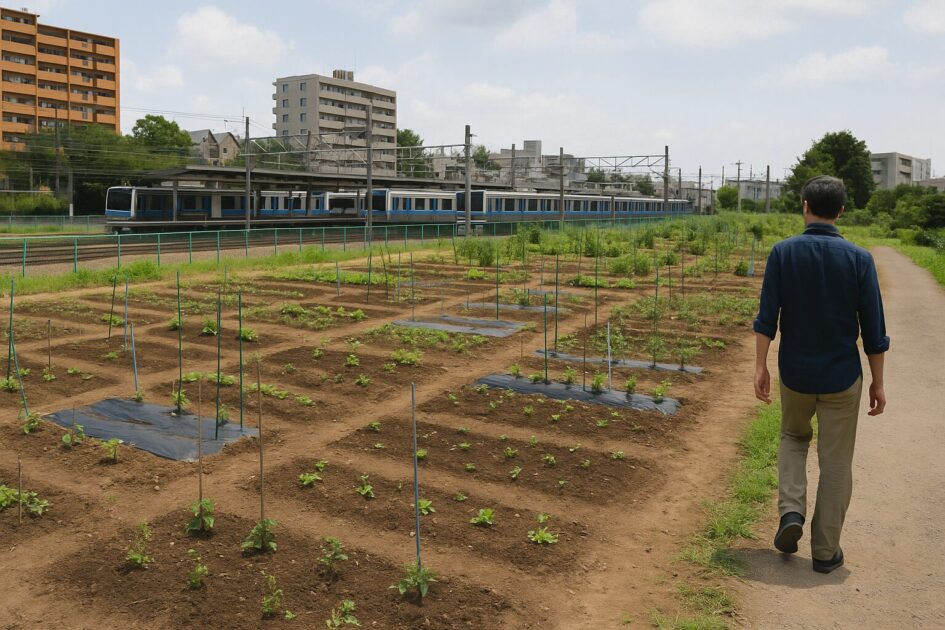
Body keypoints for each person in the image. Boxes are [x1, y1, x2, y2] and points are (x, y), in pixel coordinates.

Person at [753, 175, 889, 574]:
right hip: (842, 378)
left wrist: (760, 366)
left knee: (793, 438)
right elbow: (874, 331)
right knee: (835, 462)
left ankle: (791, 513)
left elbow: (766, 319)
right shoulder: (860, 259)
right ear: (842, 211)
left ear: (805, 206)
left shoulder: (783, 253)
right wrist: (878, 382)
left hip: (795, 373)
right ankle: (826, 551)